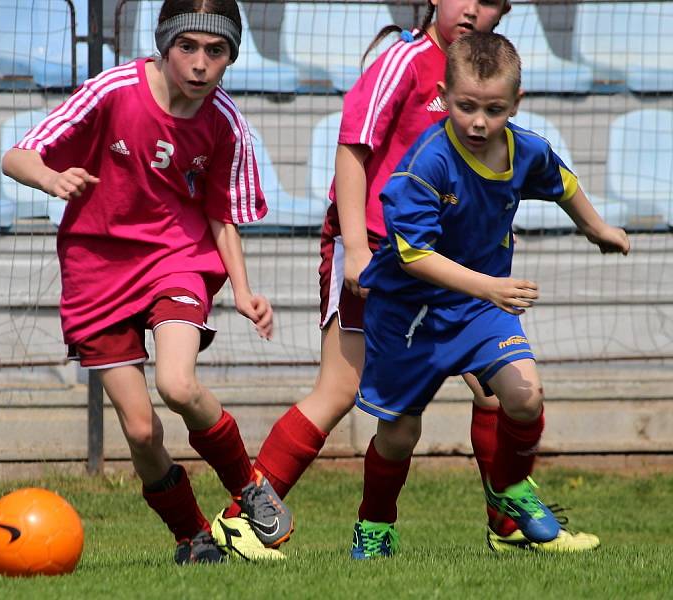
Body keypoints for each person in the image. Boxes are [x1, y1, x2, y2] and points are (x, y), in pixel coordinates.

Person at [218, 0, 597, 555]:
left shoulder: (485, 88)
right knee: (340, 389)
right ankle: (243, 520)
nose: (472, 8)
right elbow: (352, 151)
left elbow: (543, 175)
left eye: (488, 1)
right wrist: (353, 247)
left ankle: (508, 526)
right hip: (378, 256)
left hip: (445, 274)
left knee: (497, 395)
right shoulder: (404, 61)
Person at [2, 0, 291, 564]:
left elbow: (220, 216)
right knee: (140, 431)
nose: (201, 63)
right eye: (188, 47)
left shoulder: (225, 122)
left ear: (231, 56)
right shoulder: (113, 89)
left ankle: (249, 487)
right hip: (96, 268)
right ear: (165, 45)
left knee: (178, 384)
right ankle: (191, 537)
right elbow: (17, 156)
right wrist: (49, 177)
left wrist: (244, 289)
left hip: (175, 258)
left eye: (216, 51)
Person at [348, 31, 629, 559]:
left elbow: (561, 180)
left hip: (479, 307)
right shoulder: (425, 164)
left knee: (524, 397)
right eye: (466, 107)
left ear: (516, 103)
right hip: (410, 313)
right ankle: (376, 525)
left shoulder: (525, 149)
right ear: (444, 94)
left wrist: (596, 228)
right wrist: (491, 286)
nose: (479, 122)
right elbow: (414, 255)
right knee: (400, 435)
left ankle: (510, 491)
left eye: (494, 109)